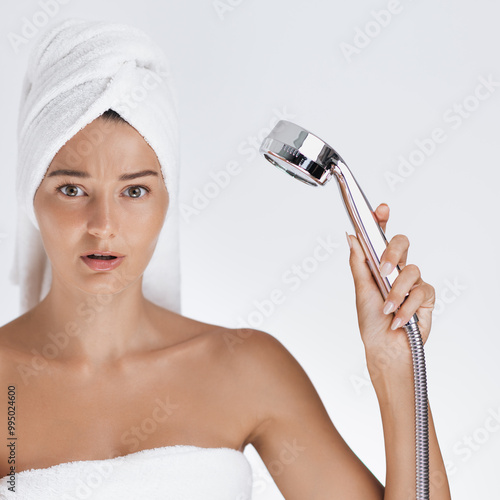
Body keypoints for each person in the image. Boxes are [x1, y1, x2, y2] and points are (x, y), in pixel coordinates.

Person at [0, 17, 452, 500]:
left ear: (167, 200)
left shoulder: (247, 368)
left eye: (135, 190)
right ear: (31, 195)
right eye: (72, 189)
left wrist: (398, 371)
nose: (103, 224)